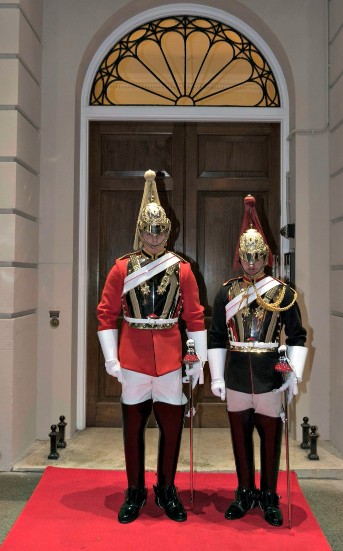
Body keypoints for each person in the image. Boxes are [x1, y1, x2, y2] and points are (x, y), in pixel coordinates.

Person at [97, 170, 207, 524]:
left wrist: (197, 361)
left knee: (171, 429)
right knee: (133, 430)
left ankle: (166, 488)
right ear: (140, 229)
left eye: (161, 231)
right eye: (149, 229)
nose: (155, 236)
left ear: (169, 231)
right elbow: (106, 314)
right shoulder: (121, 268)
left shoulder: (183, 270)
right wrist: (111, 357)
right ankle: (134, 490)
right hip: (132, 359)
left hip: (172, 360)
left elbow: (195, 317)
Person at [208, 195, 307, 527]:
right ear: (240, 257)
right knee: (239, 440)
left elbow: (297, 336)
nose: (251, 263)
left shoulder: (282, 292)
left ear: (266, 257)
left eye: (257, 257)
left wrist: (293, 374)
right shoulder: (226, 292)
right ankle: (244, 492)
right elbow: (216, 336)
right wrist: (217, 377)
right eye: (246, 257)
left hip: (268, 375)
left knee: (270, 440)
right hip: (236, 374)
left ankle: (268, 496)